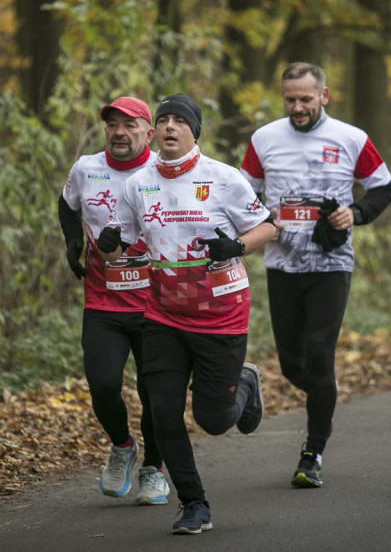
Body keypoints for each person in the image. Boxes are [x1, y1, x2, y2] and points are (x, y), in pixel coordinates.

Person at [97, 93, 276, 535]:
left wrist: (236, 246)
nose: (170, 127)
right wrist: (111, 245)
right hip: (164, 314)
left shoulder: (223, 178)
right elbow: (133, 242)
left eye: (180, 121)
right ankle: (194, 504)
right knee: (163, 411)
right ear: (154, 131)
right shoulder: (137, 183)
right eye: (164, 121)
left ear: (195, 131)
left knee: (214, 420)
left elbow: (268, 225)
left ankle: (246, 382)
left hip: (221, 313)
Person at [239, 62, 391, 488]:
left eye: (306, 99)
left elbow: (384, 187)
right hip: (282, 264)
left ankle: (313, 452)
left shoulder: (351, 138)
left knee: (319, 350)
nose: (297, 107)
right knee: (293, 364)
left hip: (332, 263)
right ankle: (322, 389)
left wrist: (356, 213)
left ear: (323, 96)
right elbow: (242, 193)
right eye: (290, 99)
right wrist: (262, 216)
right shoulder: (264, 139)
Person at [56, 96, 170, 505]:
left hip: (157, 304)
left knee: (154, 390)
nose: (120, 132)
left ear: (149, 133)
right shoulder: (86, 168)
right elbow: (67, 206)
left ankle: (154, 467)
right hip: (103, 301)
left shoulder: (164, 171)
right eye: (112, 125)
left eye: (130, 125)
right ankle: (123, 446)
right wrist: (73, 242)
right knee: (103, 384)